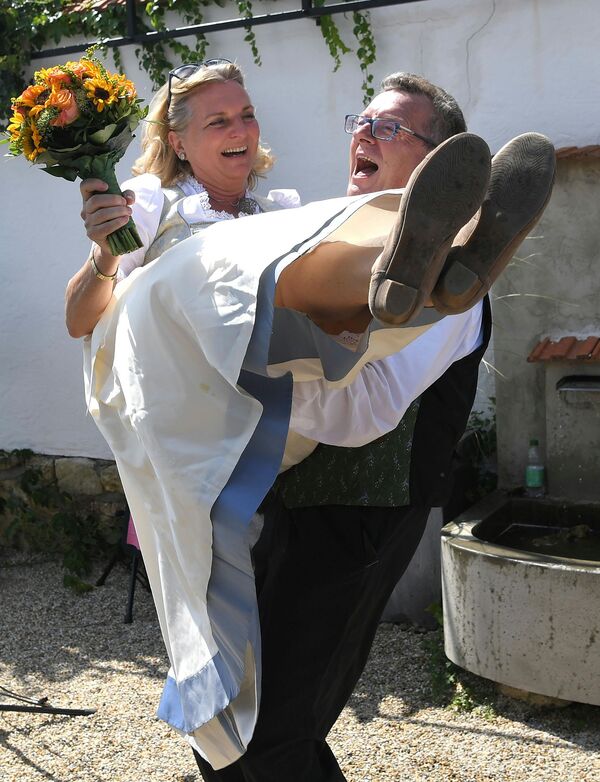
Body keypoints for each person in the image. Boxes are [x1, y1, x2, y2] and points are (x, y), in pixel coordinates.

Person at [192, 72, 556, 782]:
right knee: (222, 719)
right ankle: (394, 278)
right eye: (363, 120)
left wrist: (252, 360)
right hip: (280, 495)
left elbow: (365, 413)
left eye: (391, 129)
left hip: (359, 510)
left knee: (271, 736)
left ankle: (438, 261)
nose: (363, 132)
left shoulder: (461, 304)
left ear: (442, 167)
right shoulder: (326, 233)